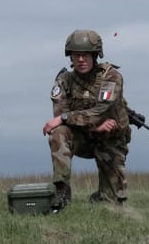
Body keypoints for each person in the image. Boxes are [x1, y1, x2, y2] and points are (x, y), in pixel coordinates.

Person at [41, 30, 130, 209]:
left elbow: (100, 111)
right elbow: (60, 114)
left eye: (86, 55)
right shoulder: (64, 80)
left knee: (111, 203)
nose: (81, 59)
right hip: (84, 137)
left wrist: (66, 118)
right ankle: (62, 193)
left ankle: (102, 195)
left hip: (110, 139)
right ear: (70, 57)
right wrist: (93, 127)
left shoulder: (111, 77)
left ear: (95, 55)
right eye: (76, 55)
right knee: (59, 132)